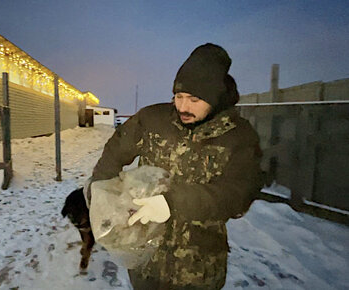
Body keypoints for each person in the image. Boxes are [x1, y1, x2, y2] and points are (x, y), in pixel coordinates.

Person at [88, 43, 263, 289]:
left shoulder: (239, 136)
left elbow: (238, 194)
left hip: (197, 269)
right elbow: (115, 152)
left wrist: (173, 202)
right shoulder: (152, 119)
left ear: (215, 98)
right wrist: (98, 192)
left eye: (194, 99)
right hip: (146, 260)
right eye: (179, 97)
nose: (183, 107)